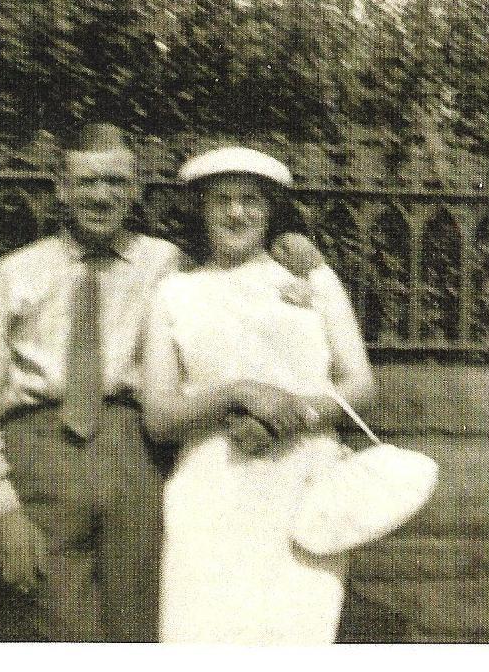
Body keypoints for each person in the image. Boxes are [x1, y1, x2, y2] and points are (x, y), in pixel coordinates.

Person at [0, 124, 322, 642]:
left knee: (142, 625)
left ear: (135, 191)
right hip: (40, 454)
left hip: (136, 456)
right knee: (58, 625)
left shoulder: (167, 263)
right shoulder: (17, 273)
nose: (101, 196)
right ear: (61, 189)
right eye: (87, 183)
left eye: (115, 182)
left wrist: (294, 251)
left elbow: (232, 296)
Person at [141, 146, 376, 644]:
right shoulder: (175, 293)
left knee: (294, 637)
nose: (236, 213)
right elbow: (159, 417)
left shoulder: (311, 279)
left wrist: (295, 415)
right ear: (201, 209)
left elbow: (361, 385)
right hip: (212, 490)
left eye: (251, 199)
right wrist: (234, 394)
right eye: (221, 200)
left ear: (270, 209)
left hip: (302, 488)